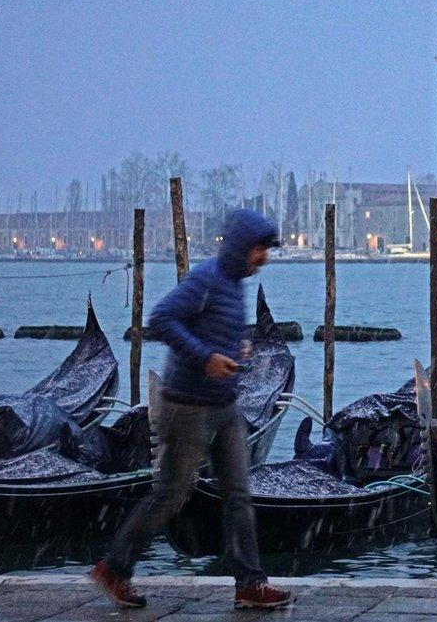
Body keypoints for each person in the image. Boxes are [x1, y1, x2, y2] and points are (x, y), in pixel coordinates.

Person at [91, 209, 294, 610]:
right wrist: (205, 358)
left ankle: (250, 584)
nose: (263, 257)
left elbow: (213, 328)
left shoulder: (235, 284)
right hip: (187, 408)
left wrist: (236, 347)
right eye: (258, 249)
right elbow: (161, 319)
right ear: (241, 248)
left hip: (225, 405)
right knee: (170, 495)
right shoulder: (205, 279)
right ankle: (114, 568)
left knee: (238, 494)